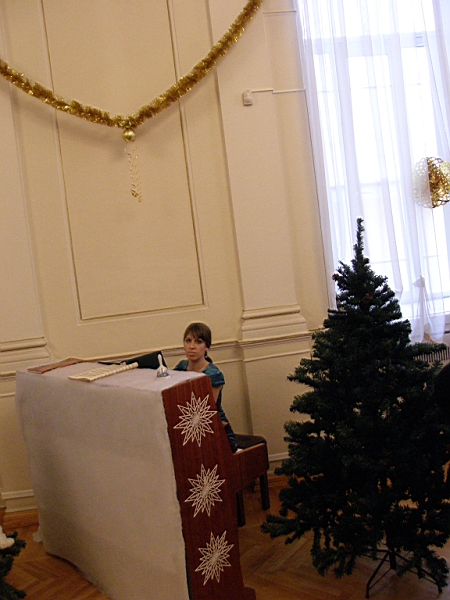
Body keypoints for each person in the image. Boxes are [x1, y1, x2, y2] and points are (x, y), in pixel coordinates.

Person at [174, 322, 237, 452]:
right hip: (189, 426)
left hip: (215, 429)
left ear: (207, 346)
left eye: (198, 342)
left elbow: (206, 411)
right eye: (188, 341)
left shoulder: (213, 374)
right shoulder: (181, 367)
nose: (192, 346)